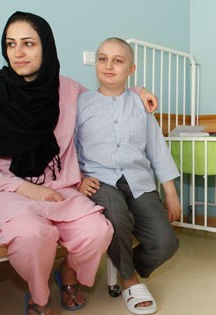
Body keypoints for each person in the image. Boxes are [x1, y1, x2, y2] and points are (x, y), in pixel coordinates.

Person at [0, 12, 157, 315]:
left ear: (46, 47)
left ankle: (67, 276)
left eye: (29, 43)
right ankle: (39, 297)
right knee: (32, 234)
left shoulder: (66, 89)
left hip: (58, 188)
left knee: (98, 230)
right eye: (11, 44)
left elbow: (104, 100)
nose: (19, 52)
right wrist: (27, 189)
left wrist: (136, 92)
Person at [75, 37, 181, 315]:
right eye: (102, 59)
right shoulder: (80, 104)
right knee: (115, 211)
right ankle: (129, 280)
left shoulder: (139, 103)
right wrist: (78, 179)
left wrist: (170, 192)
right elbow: (68, 149)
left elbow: (157, 149)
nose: (109, 66)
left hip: (138, 180)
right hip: (99, 180)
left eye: (118, 61)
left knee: (166, 244)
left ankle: (126, 263)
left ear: (131, 69)